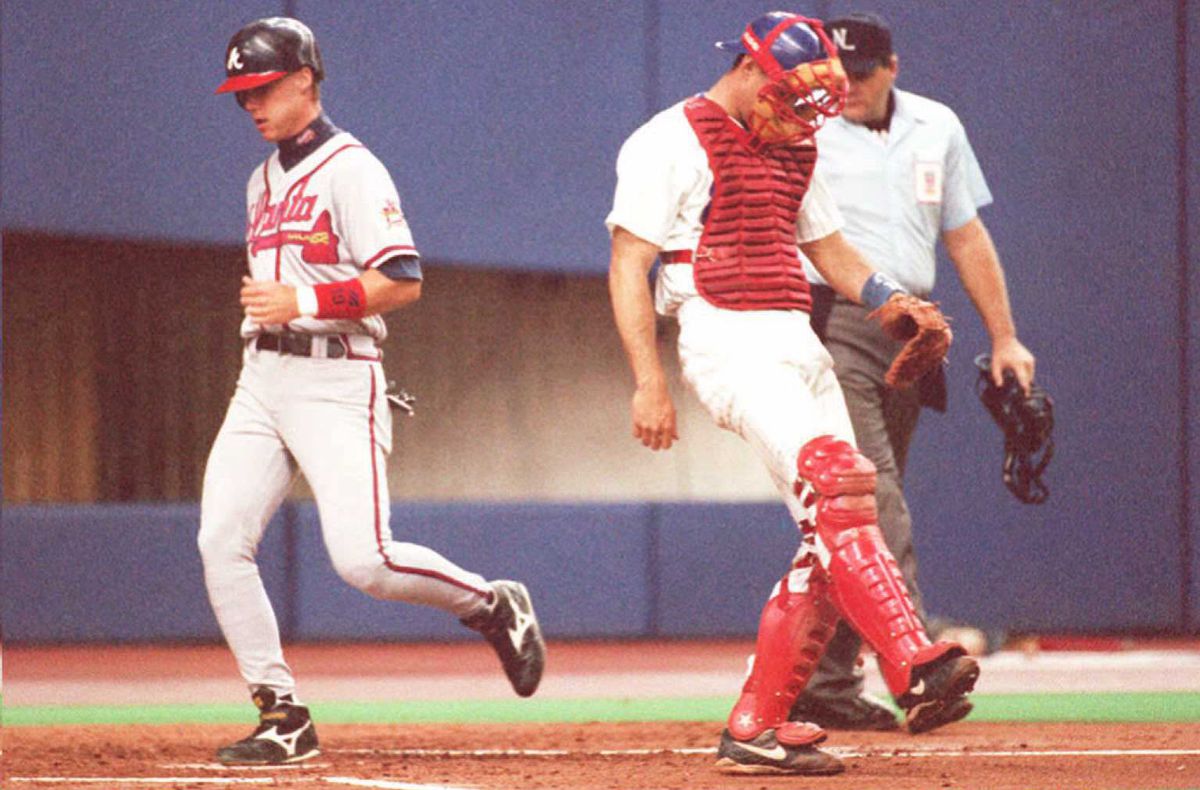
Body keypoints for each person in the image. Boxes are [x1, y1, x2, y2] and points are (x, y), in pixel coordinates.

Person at [606, 11, 979, 776]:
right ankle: (913, 658)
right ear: (748, 70)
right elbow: (627, 265)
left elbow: (829, 249)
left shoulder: (793, 143)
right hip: (725, 338)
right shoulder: (665, 139)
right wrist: (649, 381)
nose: (795, 116)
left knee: (836, 524)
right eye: (784, 95)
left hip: (796, 336)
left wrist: (888, 296)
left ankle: (755, 727)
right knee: (837, 483)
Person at [199, 17, 545, 766]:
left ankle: (491, 603)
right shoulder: (259, 181)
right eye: (240, 95)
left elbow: (402, 281)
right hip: (261, 378)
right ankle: (282, 714)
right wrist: (282, 313)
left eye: (260, 88)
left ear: (304, 80)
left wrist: (307, 304)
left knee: (365, 561)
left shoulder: (354, 169)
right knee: (220, 541)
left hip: (335, 376)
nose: (250, 105)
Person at [790, 11, 1035, 731]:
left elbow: (964, 234)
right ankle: (916, 659)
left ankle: (828, 683)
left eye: (861, 74)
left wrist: (1007, 337)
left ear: (892, 67)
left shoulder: (938, 126)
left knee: (846, 516)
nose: (848, 88)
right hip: (835, 318)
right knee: (871, 495)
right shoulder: (805, 131)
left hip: (916, 330)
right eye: (836, 75)